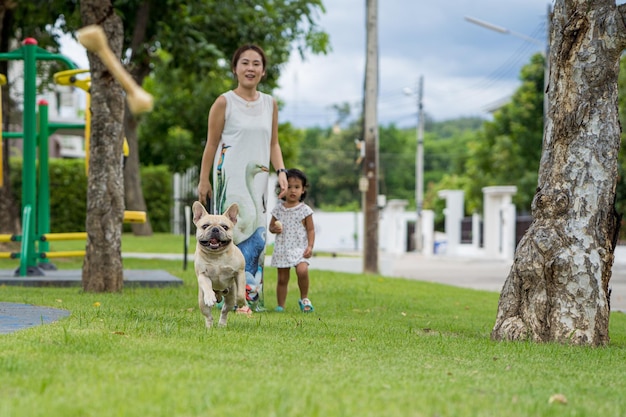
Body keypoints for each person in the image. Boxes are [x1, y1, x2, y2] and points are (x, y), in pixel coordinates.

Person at [197, 44, 288, 312]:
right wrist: (204, 181)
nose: (251, 68)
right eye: (245, 63)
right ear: (235, 68)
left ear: (263, 71)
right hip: (228, 180)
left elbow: (273, 144)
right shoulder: (224, 102)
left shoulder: (270, 103)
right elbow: (211, 145)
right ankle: (222, 298)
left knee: (257, 238)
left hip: (257, 183)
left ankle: (251, 299)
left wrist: (281, 170)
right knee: (222, 236)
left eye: (256, 63)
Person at [269, 168, 315, 313]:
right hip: (282, 249)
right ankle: (280, 305)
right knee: (282, 278)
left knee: (302, 271)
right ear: (282, 188)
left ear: (303, 190)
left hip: (299, 248)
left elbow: (310, 229)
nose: (292, 191)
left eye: (297, 187)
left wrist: (310, 246)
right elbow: (271, 226)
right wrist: (274, 229)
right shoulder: (278, 210)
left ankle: (304, 298)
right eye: (288, 187)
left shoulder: (305, 210)